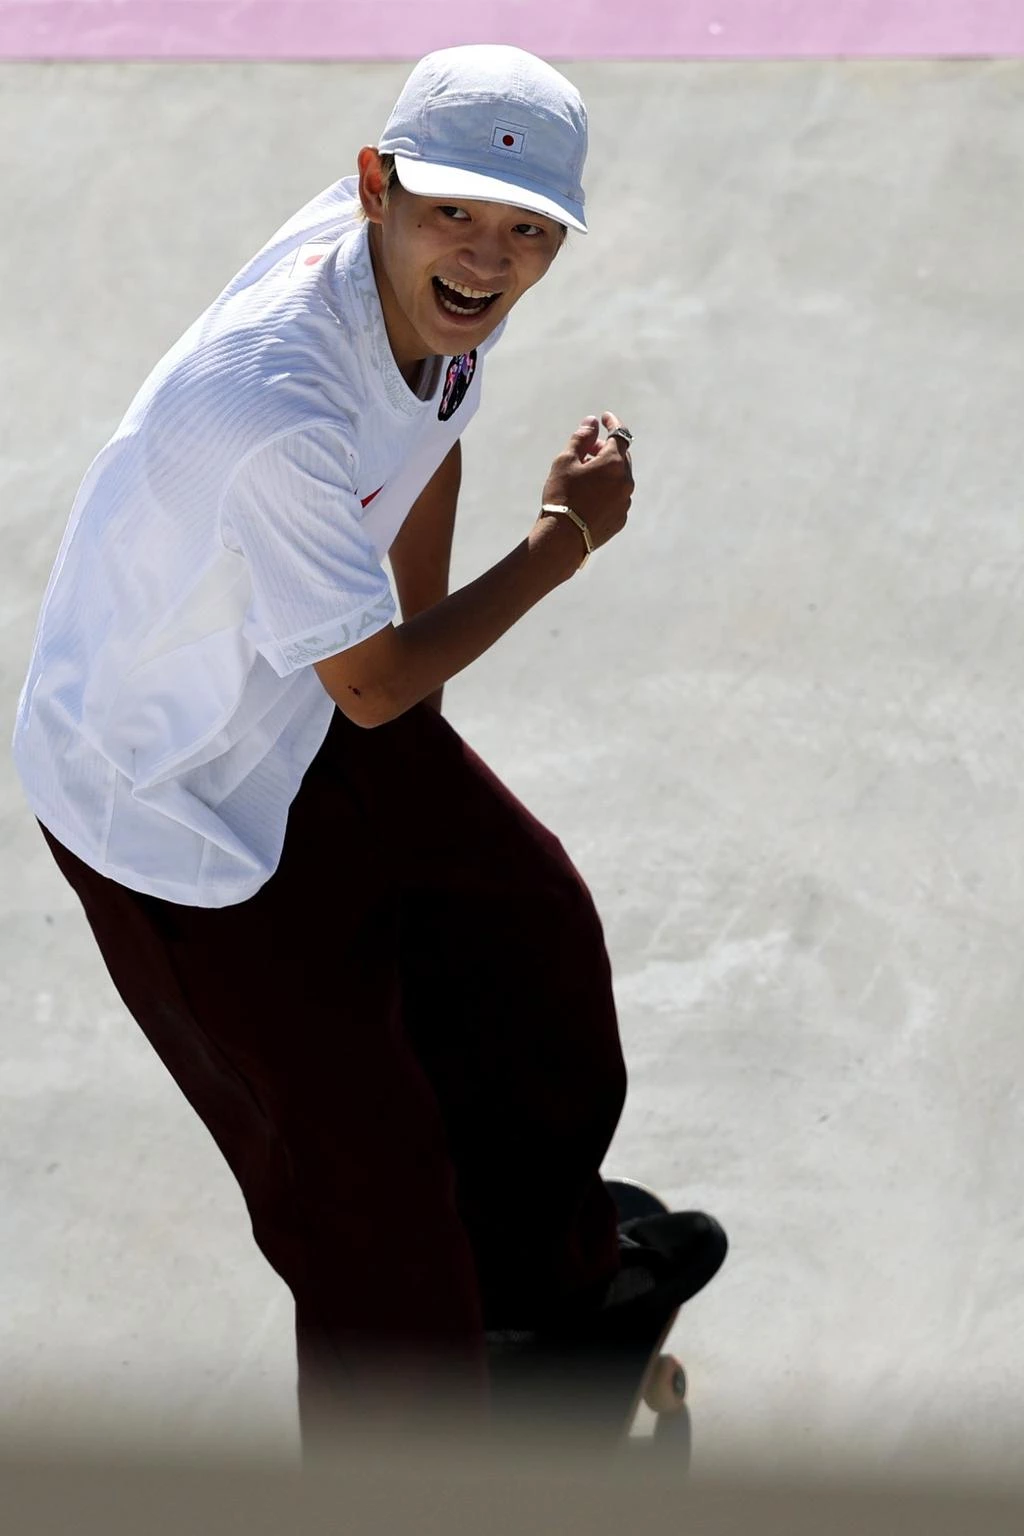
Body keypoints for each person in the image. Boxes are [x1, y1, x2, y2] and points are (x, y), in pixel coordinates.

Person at [13, 45, 725, 1442]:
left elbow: (426, 434)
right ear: (374, 188)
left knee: (538, 960)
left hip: (316, 706)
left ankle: (541, 1312)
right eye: (458, 213)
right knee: (365, 1201)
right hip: (172, 811)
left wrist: (413, 743)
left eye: (530, 232)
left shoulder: (436, 285)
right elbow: (373, 687)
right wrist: (563, 541)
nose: (490, 255)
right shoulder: (271, 404)